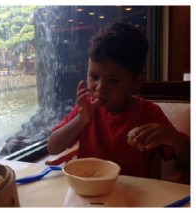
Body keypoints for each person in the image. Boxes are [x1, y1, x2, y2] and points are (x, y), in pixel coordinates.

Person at [47, 23, 189, 179]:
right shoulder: (86, 110)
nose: (100, 88)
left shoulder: (149, 113)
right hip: (90, 189)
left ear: (136, 82)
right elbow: (53, 147)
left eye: (114, 81)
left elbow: (187, 161)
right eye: (94, 77)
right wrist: (80, 121)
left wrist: (174, 138)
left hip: (135, 193)